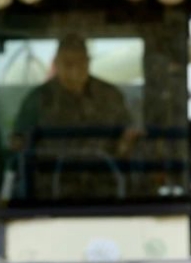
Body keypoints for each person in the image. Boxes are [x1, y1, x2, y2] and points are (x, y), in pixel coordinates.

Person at [10, 34, 140, 197]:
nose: (75, 70)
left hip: (105, 189)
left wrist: (125, 145)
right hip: (50, 193)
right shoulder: (38, 100)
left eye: (80, 63)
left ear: (88, 62)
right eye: (68, 64)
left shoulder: (110, 96)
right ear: (56, 63)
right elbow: (17, 142)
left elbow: (129, 134)